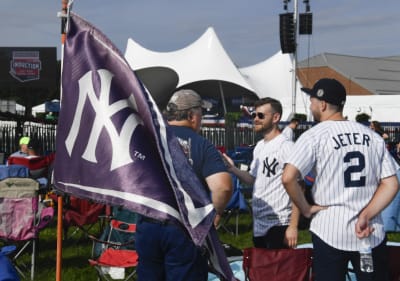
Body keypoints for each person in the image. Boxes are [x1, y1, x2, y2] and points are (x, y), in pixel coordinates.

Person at [281, 78, 399, 281]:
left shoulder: (314, 135)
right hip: (370, 229)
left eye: (312, 101)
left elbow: (288, 177)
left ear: (323, 104)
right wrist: (367, 214)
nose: (311, 106)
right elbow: (391, 183)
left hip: (329, 227)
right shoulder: (372, 136)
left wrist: (307, 209)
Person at [135, 89, 233, 281]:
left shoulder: (148, 140)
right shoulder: (201, 144)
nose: (201, 118)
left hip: (148, 224)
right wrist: (216, 213)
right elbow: (223, 186)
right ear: (191, 115)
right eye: (201, 113)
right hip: (185, 228)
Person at [222, 97, 299, 249]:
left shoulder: (286, 146)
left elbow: (299, 186)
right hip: (259, 223)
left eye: (261, 116)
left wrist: (293, 226)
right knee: (264, 270)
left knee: (281, 271)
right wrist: (232, 169)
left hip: (280, 222)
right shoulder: (259, 147)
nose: (255, 119)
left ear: (276, 117)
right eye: (254, 115)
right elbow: (252, 179)